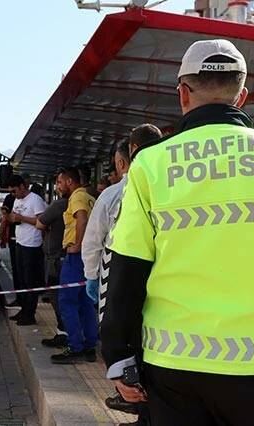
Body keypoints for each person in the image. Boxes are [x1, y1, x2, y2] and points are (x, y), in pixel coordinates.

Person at [102, 39, 254, 425]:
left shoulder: (150, 164)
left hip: (171, 365)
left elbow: (127, 268)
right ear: (241, 96)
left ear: (183, 93)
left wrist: (118, 355)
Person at [82, 126, 162, 424]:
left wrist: (92, 276)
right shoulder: (169, 187)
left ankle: (136, 402)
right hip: (163, 287)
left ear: (124, 158)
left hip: (120, 281)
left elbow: (94, 240)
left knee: (128, 345)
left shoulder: (115, 193)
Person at [50, 167, 97, 364]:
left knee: (67, 301)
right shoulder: (89, 197)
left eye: (60, 182)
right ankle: (89, 345)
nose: (58, 187)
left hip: (76, 256)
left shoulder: (77, 196)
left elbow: (82, 219)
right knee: (86, 301)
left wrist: (77, 245)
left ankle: (75, 346)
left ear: (70, 181)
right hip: (89, 255)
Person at [6, 175, 47, 326]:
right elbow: (16, 217)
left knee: (30, 281)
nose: (13, 195)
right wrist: (11, 217)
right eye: (10, 192)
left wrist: (22, 218)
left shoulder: (35, 200)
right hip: (20, 243)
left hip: (32, 245)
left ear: (22, 186)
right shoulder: (17, 200)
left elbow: (41, 221)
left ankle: (30, 313)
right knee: (21, 280)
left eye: (14, 191)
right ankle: (24, 309)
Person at [35, 193, 69, 348]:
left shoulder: (59, 204)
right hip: (64, 257)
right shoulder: (82, 200)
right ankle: (65, 332)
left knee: (57, 297)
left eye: (60, 182)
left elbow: (39, 224)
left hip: (56, 258)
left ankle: (64, 333)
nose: (58, 187)